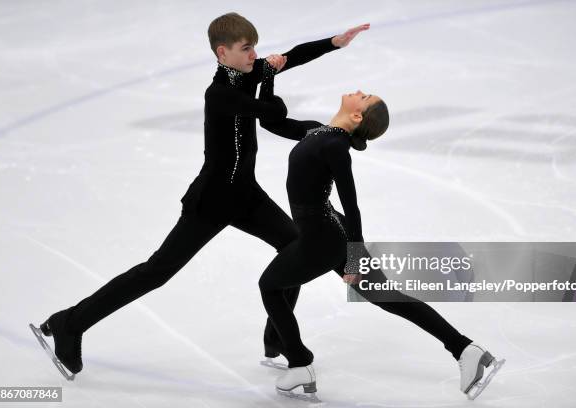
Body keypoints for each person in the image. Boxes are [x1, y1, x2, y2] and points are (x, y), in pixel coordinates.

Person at [29, 12, 371, 380]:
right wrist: (271, 77)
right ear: (222, 53)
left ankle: (279, 337)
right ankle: (70, 323)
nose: (254, 54)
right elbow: (272, 111)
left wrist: (333, 43)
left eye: (255, 46)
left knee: (295, 252)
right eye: (246, 48)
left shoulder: (247, 71)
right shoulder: (220, 94)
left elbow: (291, 55)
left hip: (246, 195)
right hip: (211, 201)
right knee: (157, 271)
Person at [256, 64, 505, 401]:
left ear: (357, 116)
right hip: (330, 230)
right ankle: (465, 349)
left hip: (323, 237)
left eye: (365, 96)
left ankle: (300, 363)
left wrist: (355, 259)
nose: (359, 91)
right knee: (390, 297)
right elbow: (269, 121)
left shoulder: (335, 147)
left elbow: (353, 205)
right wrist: (268, 76)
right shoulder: (317, 131)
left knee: (270, 286)